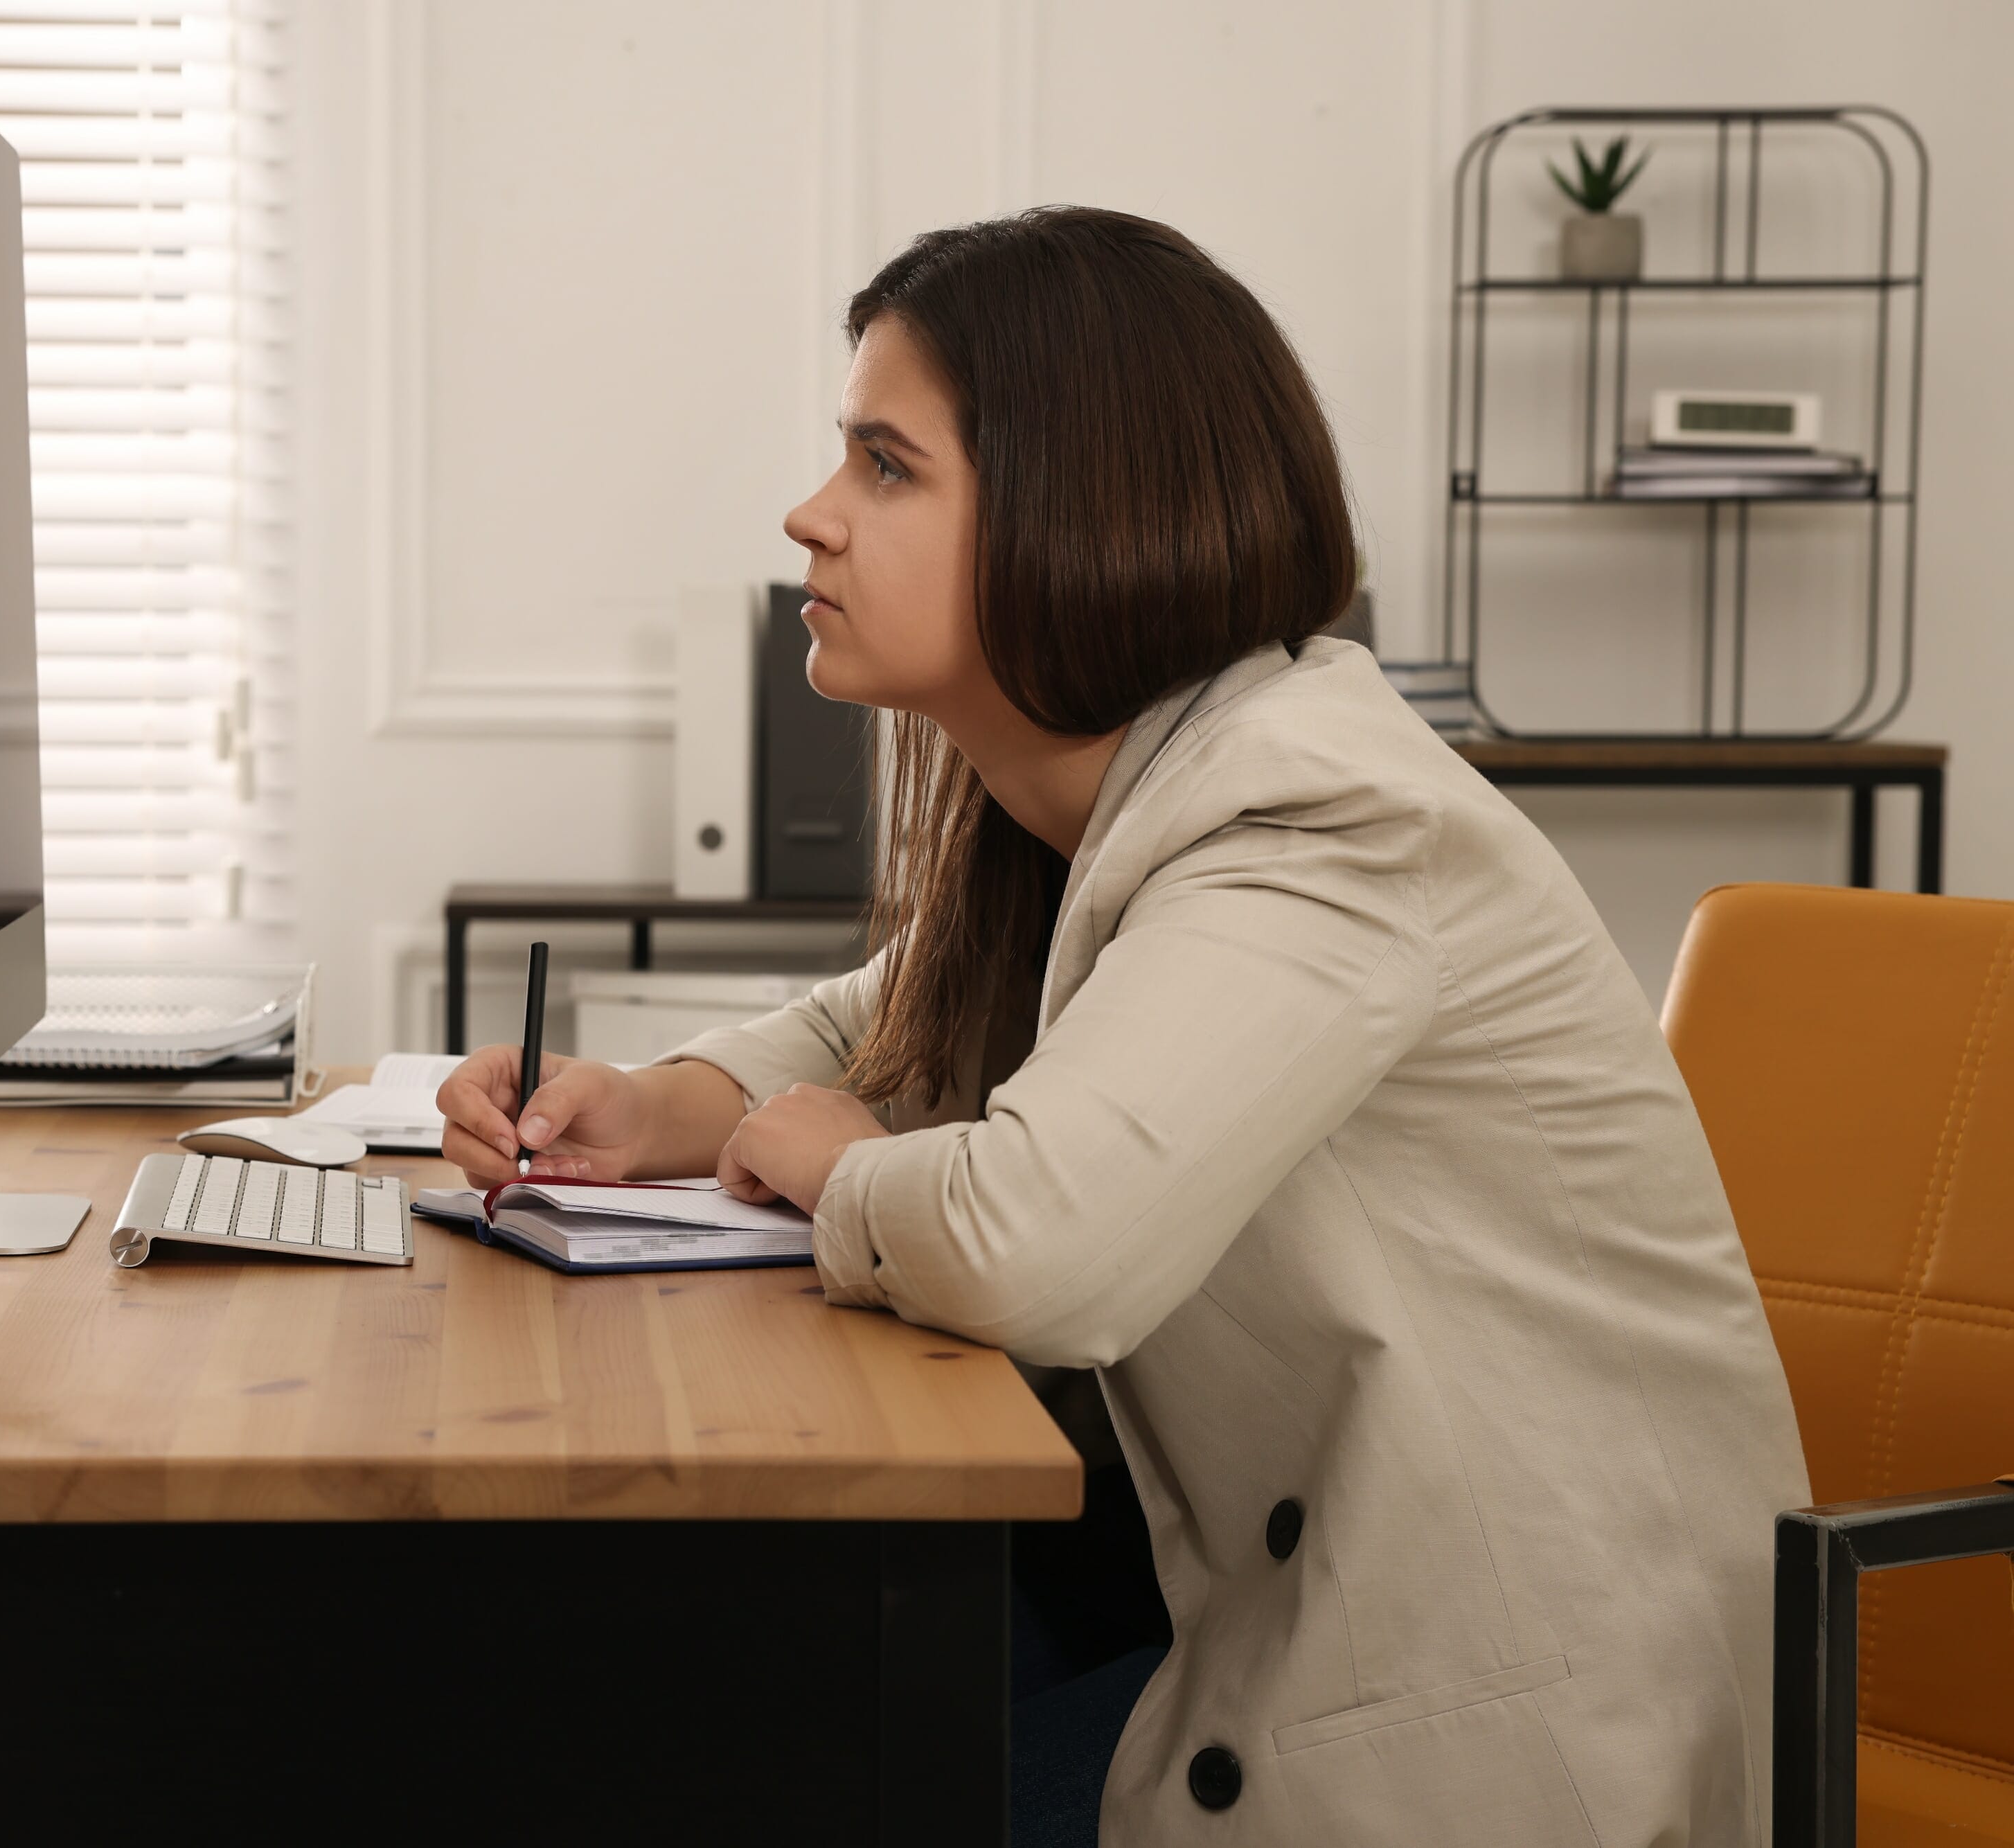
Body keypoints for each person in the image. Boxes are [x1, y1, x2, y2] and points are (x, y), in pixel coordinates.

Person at [435, 207, 1808, 1847]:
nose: (809, 517)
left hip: (1502, 1718)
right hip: (1272, 1601)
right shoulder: (1116, 784)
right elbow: (894, 1013)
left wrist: (839, 1164)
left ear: (1078, 508)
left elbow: (1033, 1247)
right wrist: (659, 1103)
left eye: (884, 465)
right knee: (719, 1690)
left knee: (732, 1759)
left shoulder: (1313, 815)